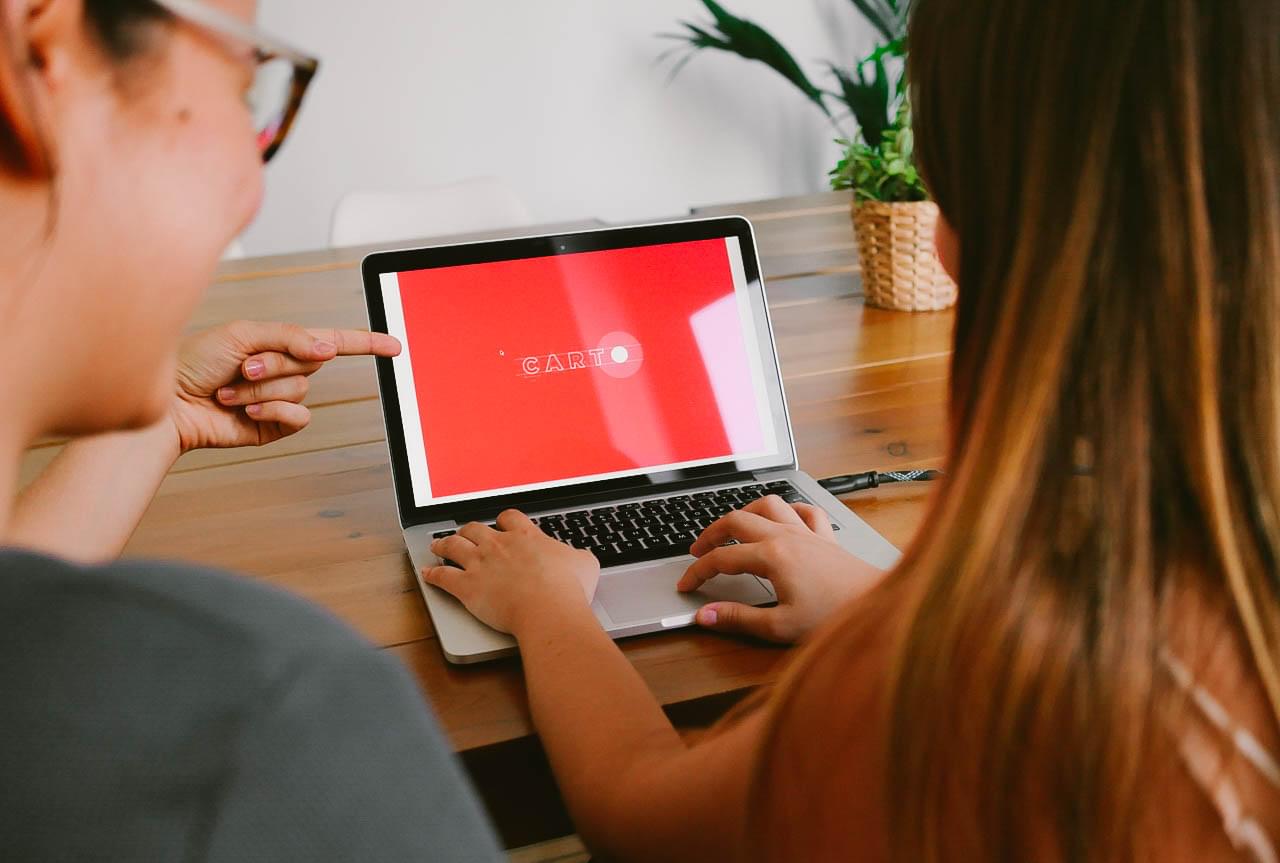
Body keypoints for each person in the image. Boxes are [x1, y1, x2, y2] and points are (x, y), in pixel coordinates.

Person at [424, 0, 1280, 860]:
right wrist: (877, 603)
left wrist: (548, 607)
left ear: (967, 233)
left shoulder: (969, 696)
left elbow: (640, 816)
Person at [0, 0, 501, 859]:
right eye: (245, 88)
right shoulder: (268, 717)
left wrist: (163, 418)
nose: (251, 192)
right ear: (50, 58)